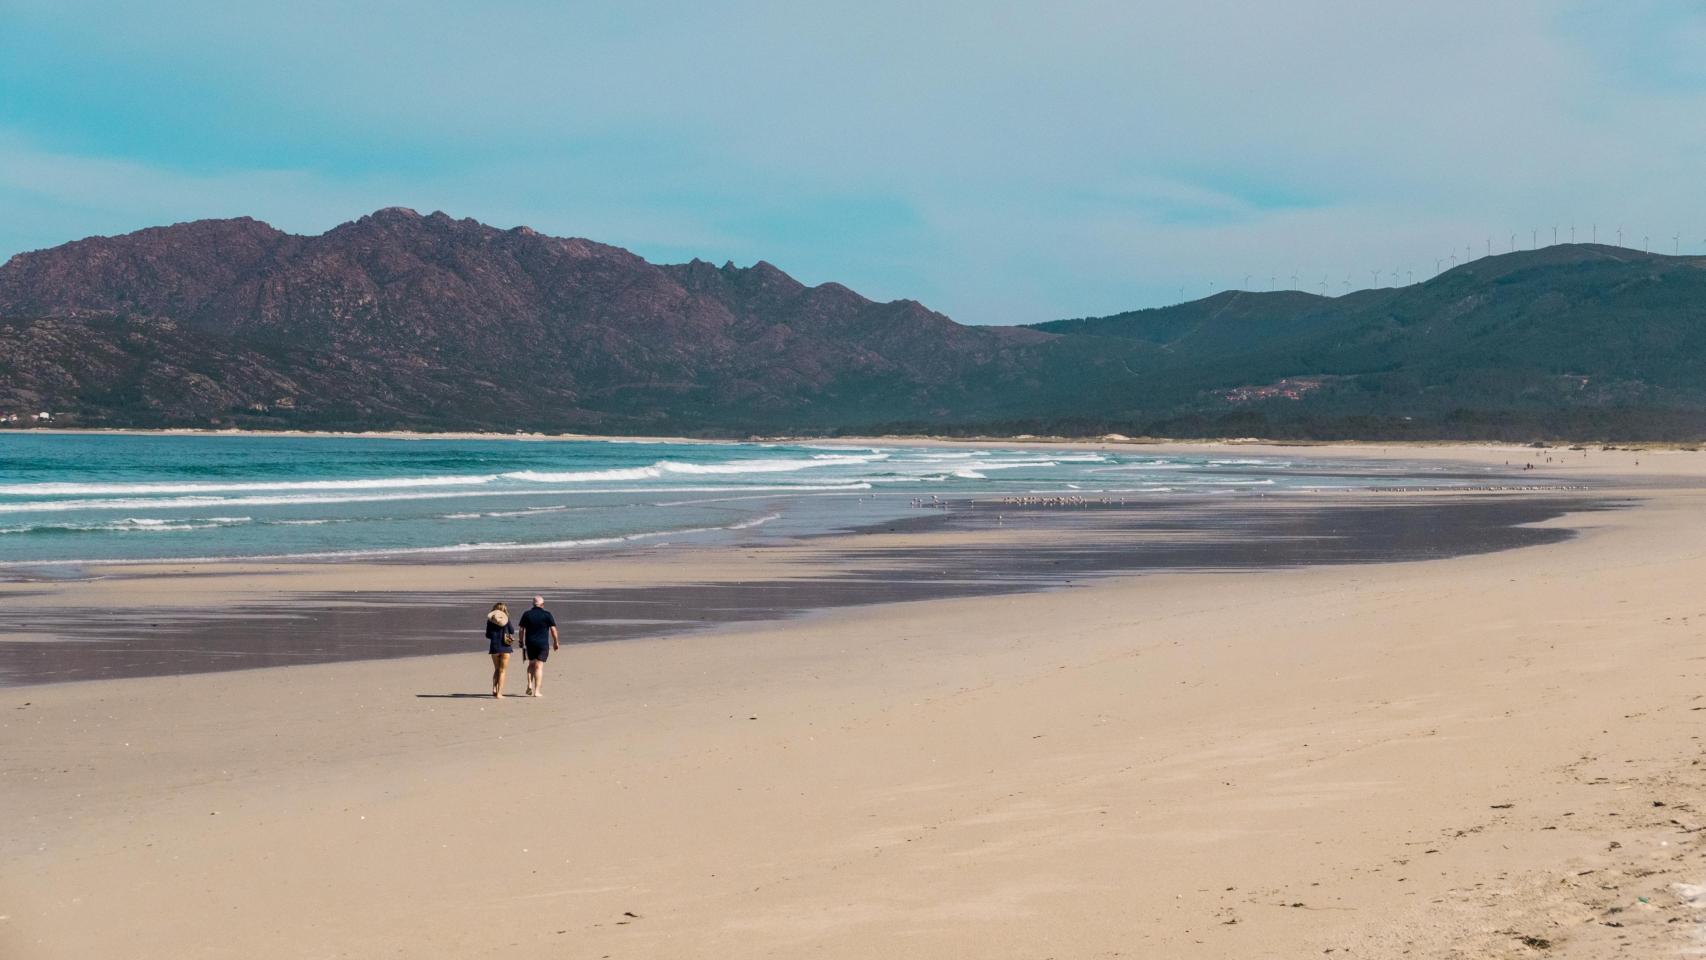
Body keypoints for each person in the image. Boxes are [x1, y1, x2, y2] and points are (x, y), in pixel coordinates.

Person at [516, 595, 559, 697]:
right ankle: (537, 691)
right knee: (539, 666)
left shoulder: (527, 614)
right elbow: (553, 629)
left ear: (533, 604)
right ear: (542, 605)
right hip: (542, 643)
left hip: (530, 643)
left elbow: (521, 629)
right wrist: (556, 642)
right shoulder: (547, 614)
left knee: (531, 664)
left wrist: (521, 641)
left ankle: (530, 684)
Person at [485, 602, 516, 698]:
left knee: (497, 669)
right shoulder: (506, 619)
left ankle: (494, 688)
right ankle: (499, 693)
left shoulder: (490, 621)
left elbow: (488, 635)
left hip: (494, 647)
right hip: (505, 647)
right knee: (502, 671)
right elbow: (512, 631)